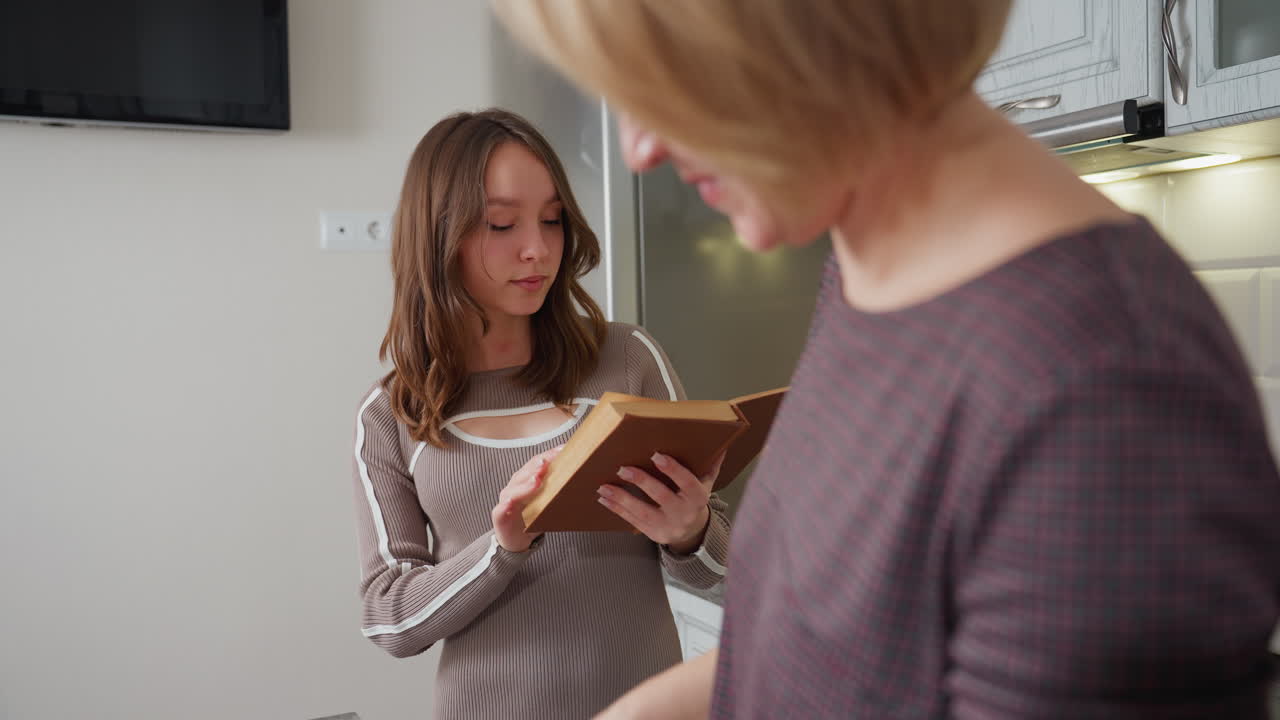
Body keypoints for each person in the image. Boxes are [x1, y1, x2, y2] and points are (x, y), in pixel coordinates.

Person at [493, 2, 1280, 718]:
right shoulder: (872, 270)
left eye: (674, 81)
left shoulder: (1105, 386)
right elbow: (821, 653)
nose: (640, 147)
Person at [350, 108, 732, 720]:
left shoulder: (628, 358)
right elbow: (389, 618)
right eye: (502, 224)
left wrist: (688, 533)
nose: (537, 249)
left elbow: (726, 571)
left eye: (552, 220)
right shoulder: (393, 412)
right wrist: (500, 549)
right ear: (438, 234)